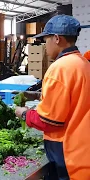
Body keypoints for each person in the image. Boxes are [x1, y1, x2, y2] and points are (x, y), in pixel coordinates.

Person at [14, 15, 90, 180]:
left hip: (67, 151)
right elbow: (74, 99)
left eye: (45, 39)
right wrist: (36, 95)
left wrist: (24, 113)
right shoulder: (83, 64)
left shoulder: (59, 68)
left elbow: (48, 121)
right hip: (84, 147)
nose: (44, 45)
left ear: (56, 38)